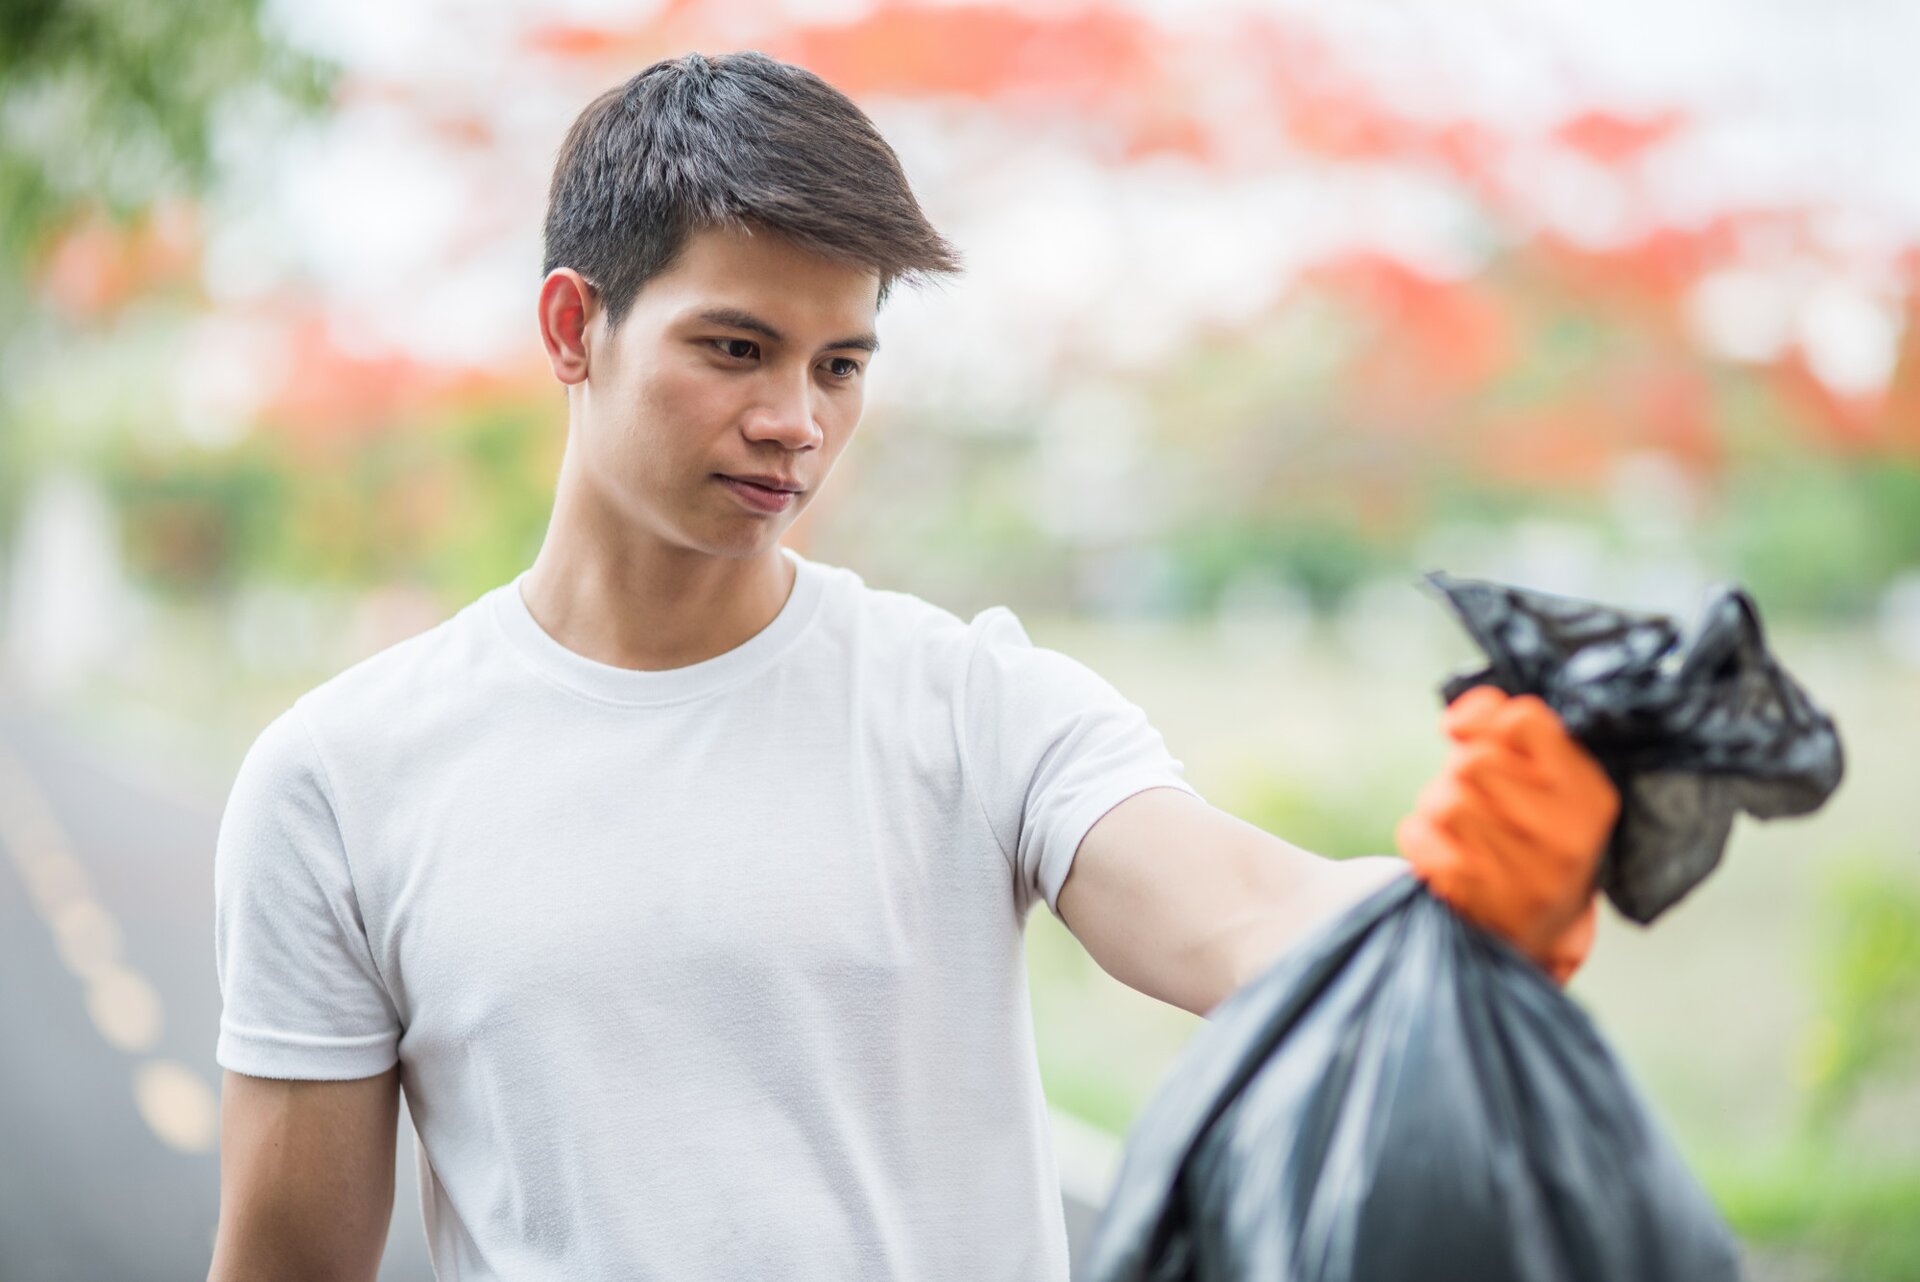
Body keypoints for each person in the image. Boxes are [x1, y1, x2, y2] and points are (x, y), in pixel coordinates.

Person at [206, 51, 1617, 1282]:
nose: (794, 422)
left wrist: (1464, 901)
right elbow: (287, 1263)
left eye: (839, 365)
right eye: (737, 348)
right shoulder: (342, 779)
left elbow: (1242, 911)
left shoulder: (973, 704)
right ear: (575, 328)